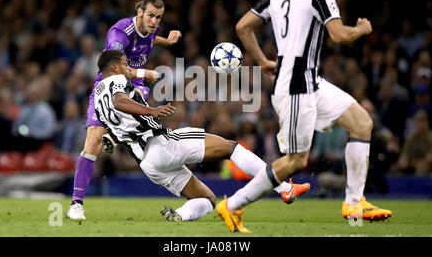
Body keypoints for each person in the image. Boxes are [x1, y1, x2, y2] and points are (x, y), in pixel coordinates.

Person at [216, 0, 392, 233]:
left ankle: (354, 202)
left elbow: (243, 26)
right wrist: (361, 30)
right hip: (298, 83)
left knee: (361, 123)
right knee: (296, 161)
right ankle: (233, 205)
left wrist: (262, 60)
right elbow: (337, 33)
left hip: (308, 80)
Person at [88, 50, 310, 223]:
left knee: (207, 200)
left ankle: (180, 216)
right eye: (125, 64)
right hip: (162, 145)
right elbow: (119, 101)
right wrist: (152, 111)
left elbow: (115, 128)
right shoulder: (115, 80)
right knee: (232, 147)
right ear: (114, 67)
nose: (129, 68)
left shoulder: (97, 102)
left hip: (148, 164)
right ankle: (284, 189)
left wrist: (111, 142)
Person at [67, 0, 183, 219]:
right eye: (150, 16)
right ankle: (76, 205)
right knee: (92, 142)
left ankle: (114, 134)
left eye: (158, 18)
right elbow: (115, 67)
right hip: (108, 86)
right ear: (138, 12)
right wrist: (144, 71)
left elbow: (149, 38)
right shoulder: (119, 32)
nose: (154, 21)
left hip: (135, 86)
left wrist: (166, 41)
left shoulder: (152, 28)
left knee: (138, 93)